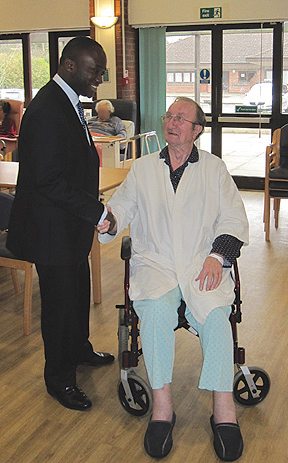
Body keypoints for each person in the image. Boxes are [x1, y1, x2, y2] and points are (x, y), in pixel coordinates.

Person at [97, 97, 249, 461]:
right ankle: (162, 407)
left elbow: (233, 218)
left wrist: (217, 256)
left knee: (216, 317)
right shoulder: (144, 167)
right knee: (154, 313)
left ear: (197, 130)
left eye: (182, 118)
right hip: (157, 264)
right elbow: (123, 206)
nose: (173, 122)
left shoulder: (214, 169)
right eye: (169, 115)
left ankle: (223, 408)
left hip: (201, 263)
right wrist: (110, 220)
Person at [7, 37, 116, 412]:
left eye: (100, 72)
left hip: (68, 227)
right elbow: (48, 180)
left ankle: (80, 349)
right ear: (69, 65)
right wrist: (97, 212)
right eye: (93, 71)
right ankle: (59, 379)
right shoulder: (47, 109)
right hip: (49, 230)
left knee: (77, 293)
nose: (98, 80)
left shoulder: (67, 102)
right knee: (58, 305)